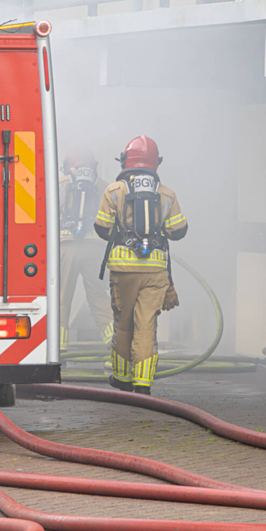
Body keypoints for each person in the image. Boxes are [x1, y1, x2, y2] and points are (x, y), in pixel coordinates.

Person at [94, 136, 187, 395]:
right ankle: (143, 383)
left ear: (126, 161)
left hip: (122, 271)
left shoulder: (113, 191)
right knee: (147, 325)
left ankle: (122, 377)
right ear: (156, 162)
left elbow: (102, 228)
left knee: (123, 323)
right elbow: (178, 231)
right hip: (155, 272)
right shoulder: (167, 194)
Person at [59, 148, 113, 349]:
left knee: (62, 298)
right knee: (98, 296)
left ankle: (59, 345)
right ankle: (114, 342)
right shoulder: (105, 187)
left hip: (67, 248)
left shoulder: (59, 185)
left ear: (68, 166)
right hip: (95, 250)